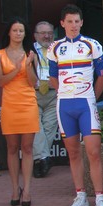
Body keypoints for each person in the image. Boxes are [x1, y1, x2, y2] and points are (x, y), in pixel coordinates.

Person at [48, 4, 103, 206]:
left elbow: (102, 74)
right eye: (69, 21)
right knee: (73, 153)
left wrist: (93, 96)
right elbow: (52, 76)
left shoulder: (92, 45)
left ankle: (100, 199)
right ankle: (80, 197)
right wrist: (63, 92)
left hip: (86, 104)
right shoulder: (55, 47)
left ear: (82, 23)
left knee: (93, 152)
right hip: (65, 105)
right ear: (62, 23)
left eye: (77, 21)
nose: (73, 25)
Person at [0, 18, 40, 206]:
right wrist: (17, 68)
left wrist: (27, 65)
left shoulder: (31, 54)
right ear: (9, 33)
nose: (18, 33)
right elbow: (0, 81)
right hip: (10, 103)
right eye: (15, 30)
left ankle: (27, 189)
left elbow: (33, 82)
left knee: (27, 148)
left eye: (21, 30)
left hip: (28, 103)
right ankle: (14, 188)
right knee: (12, 148)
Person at [32, 21, 58, 178]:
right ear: (36, 35)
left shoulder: (58, 50)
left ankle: (40, 160)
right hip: (34, 93)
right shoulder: (29, 50)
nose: (47, 36)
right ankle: (43, 159)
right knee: (36, 127)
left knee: (49, 128)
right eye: (43, 33)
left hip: (53, 94)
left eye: (49, 33)